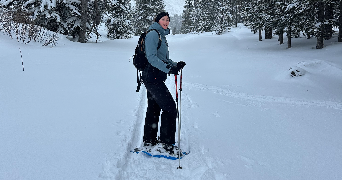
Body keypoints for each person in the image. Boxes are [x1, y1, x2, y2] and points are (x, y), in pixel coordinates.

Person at [142, 12, 186, 153]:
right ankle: (166, 145)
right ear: (157, 20)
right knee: (170, 108)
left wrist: (174, 65)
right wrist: (168, 69)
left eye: (168, 20)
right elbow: (152, 58)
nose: (166, 22)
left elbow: (163, 58)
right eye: (163, 19)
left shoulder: (161, 35)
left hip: (156, 77)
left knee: (154, 108)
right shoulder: (153, 34)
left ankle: (149, 141)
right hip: (152, 77)